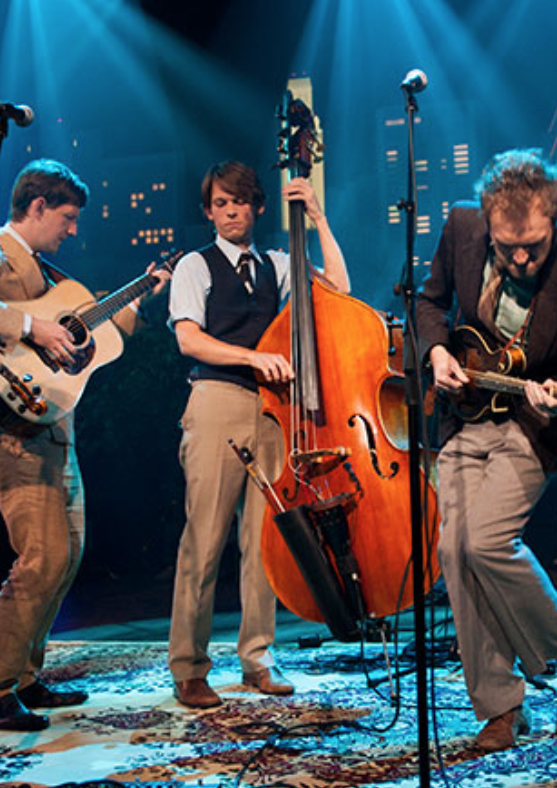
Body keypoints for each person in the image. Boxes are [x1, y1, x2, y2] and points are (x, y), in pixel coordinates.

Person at [0, 159, 168, 731]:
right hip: (8, 428)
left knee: (66, 555)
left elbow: (99, 332)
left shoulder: (44, 271)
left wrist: (146, 294)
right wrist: (29, 327)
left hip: (53, 424)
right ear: (36, 207)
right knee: (41, 556)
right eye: (66, 217)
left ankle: (22, 676)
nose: (73, 230)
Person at [416, 148, 557, 752]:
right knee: (453, 550)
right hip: (462, 415)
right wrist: (437, 353)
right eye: (507, 247)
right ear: (486, 224)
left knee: (486, 540)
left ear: (554, 219)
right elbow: (428, 303)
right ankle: (500, 707)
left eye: (534, 244)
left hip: (531, 424)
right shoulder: (460, 229)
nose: (521, 258)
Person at [164, 161, 349, 708]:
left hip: (273, 410)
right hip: (217, 401)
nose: (230, 212)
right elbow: (189, 341)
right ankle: (190, 666)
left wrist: (316, 216)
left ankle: (258, 658)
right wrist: (254, 357)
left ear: (258, 207)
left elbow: (339, 289)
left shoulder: (276, 263)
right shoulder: (194, 267)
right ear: (209, 212)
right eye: (220, 204)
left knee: (263, 544)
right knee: (204, 540)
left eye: (239, 202)